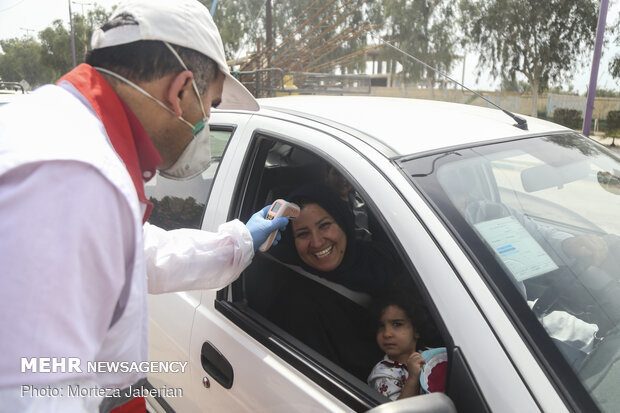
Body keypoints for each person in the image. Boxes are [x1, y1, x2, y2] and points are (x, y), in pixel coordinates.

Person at [0, 1, 288, 412]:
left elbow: (135, 253)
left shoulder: (61, 135)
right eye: (212, 104)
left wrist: (238, 241)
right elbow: (33, 396)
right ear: (181, 92)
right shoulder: (71, 175)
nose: (207, 120)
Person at [247, 183, 413, 380]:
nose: (317, 242)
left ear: (343, 222)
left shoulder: (384, 257)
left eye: (324, 225)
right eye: (302, 234)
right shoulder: (299, 307)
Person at [367, 294, 446, 401]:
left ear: (416, 330)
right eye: (381, 326)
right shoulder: (383, 375)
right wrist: (413, 378)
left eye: (397, 324)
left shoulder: (433, 356)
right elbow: (399, 409)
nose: (386, 334)